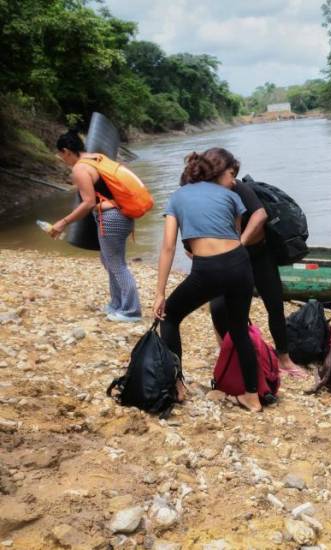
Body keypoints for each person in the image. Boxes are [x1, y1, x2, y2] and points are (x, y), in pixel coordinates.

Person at [153, 148, 262, 412]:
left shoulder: (178, 197)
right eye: (230, 174)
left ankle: (178, 386)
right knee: (238, 330)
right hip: (240, 264)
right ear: (217, 173)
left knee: (169, 316)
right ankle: (252, 397)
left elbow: (168, 247)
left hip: (207, 269)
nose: (233, 179)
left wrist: (159, 293)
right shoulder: (230, 196)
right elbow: (234, 236)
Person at [208, 178, 307, 378]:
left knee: (274, 304)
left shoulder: (241, 189)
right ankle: (228, 351)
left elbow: (260, 219)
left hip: (258, 254)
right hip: (228, 257)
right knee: (218, 307)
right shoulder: (207, 195)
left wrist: (240, 243)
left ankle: (284, 358)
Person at [50, 131, 142, 322]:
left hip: (110, 218)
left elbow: (88, 202)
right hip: (122, 215)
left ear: (66, 151)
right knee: (108, 260)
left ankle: (132, 311)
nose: (62, 159)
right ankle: (117, 304)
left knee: (117, 265)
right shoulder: (97, 158)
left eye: (61, 155)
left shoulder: (80, 168)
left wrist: (63, 222)